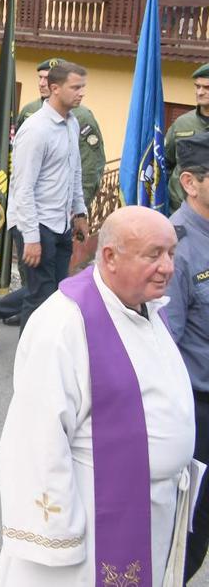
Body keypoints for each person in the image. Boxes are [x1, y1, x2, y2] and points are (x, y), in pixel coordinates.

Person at [0, 206, 195, 586]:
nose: (168, 267)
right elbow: (36, 437)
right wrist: (59, 539)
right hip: (91, 528)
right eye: (154, 255)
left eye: (171, 253)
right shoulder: (64, 323)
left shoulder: (149, 308)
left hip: (149, 512)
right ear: (110, 257)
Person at [0, 61, 90, 349]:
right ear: (55, 89)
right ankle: (29, 359)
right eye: (75, 87)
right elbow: (23, 187)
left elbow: (75, 170)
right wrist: (31, 237)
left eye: (83, 87)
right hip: (36, 222)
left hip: (60, 221)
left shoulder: (72, 123)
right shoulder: (36, 129)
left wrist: (79, 212)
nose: (81, 93)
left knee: (56, 291)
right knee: (39, 295)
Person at [164, 132, 209, 578]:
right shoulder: (175, 249)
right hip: (197, 412)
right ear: (190, 183)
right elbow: (164, 346)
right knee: (187, 535)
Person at [16, 57, 106, 209]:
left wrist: (78, 206)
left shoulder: (80, 117)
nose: (42, 83)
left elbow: (91, 166)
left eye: (47, 78)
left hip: (63, 204)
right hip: (31, 200)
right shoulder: (29, 111)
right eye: (40, 78)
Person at [166, 63, 209, 212]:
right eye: (197, 87)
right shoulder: (182, 123)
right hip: (180, 209)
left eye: (207, 87)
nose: (200, 92)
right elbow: (166, 162)